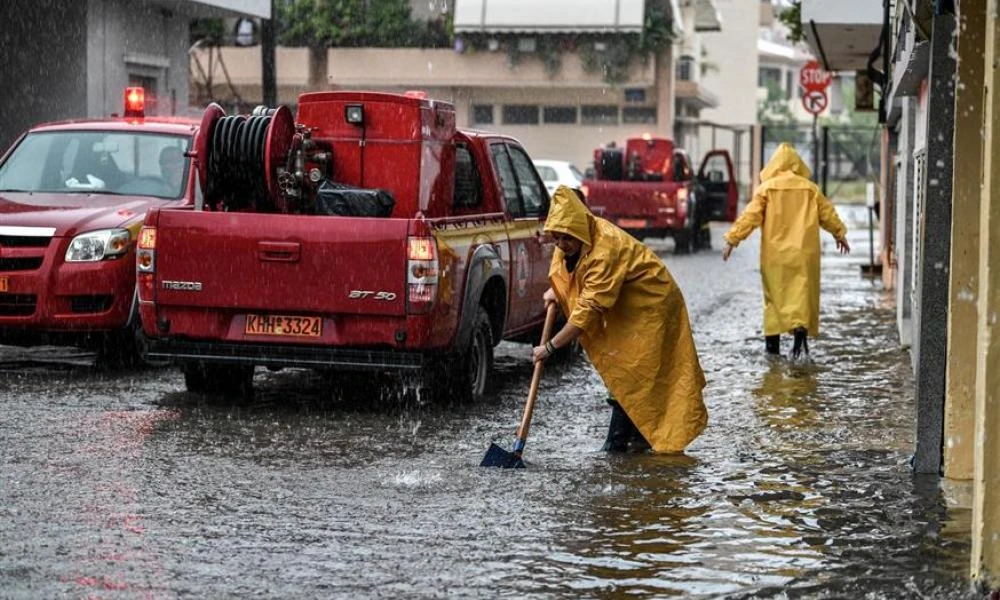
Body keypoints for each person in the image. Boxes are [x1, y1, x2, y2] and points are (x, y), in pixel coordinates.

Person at [532, 186, 708, 454]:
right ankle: (638, 441)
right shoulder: (572, 237)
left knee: (633, 370)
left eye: (565, 239)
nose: (560, 244)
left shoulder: (605, 250)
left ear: (577, 230)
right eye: (555, 238)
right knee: (628, 369)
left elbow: (586, 313)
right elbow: (572, 271)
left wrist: (551, 347)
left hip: (652, 305)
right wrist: (558, 290)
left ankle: (617, 445)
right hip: (625, 307)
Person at [721, 142, 851, 359]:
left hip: (775, 256)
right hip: (804, 255)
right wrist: (840, 234)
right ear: (797, 165)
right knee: (801, 296)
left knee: (774, 299)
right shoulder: (810, 189)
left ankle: (772, 350)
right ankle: (800, 339)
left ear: (773, 165)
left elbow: (750, 217)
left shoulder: (766, 189)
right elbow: (827, 214)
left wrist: (732, 240)